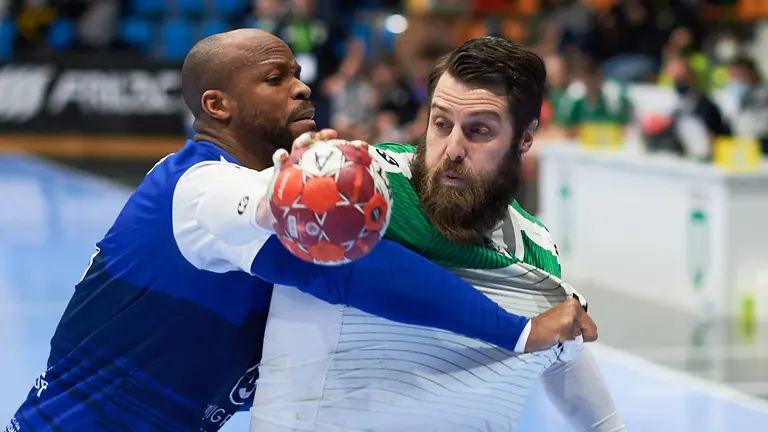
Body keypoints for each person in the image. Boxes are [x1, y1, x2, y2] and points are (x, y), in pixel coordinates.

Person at [6, 30, 589, 432]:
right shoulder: (200, 190)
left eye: (299, 74)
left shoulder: (254, 183)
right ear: (219, 104)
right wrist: (517, 333)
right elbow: (347, 268)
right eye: (276, 78)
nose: (302, 87)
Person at [250, 37, 623, 432]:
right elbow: (242, 217)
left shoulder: (536, 250)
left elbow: (566, 356)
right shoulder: (361, 191)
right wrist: (288, 186)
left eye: (479, 131)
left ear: (525, 137)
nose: (453, 149)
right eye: (441, 124)